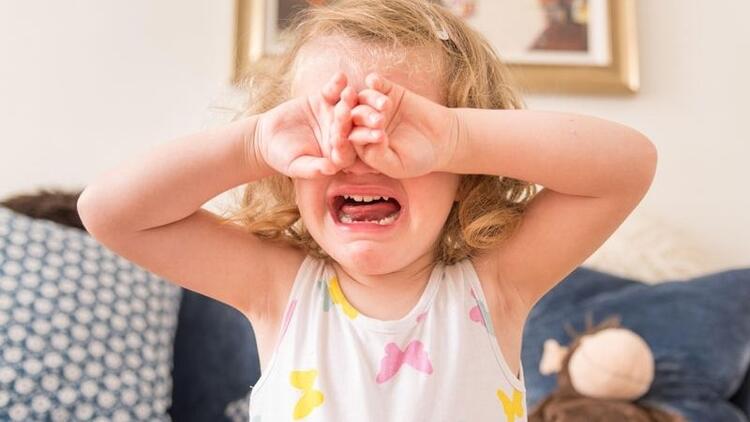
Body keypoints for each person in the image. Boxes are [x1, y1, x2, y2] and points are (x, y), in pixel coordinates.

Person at [76, 0, 657, 420]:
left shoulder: (495, 286)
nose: (360, 156)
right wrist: (252, 144)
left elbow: (628, 167)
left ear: (463, 173)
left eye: (399, 134)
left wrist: (454, 136)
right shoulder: (277, 289)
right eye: (323, 131)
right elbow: (109, 213)